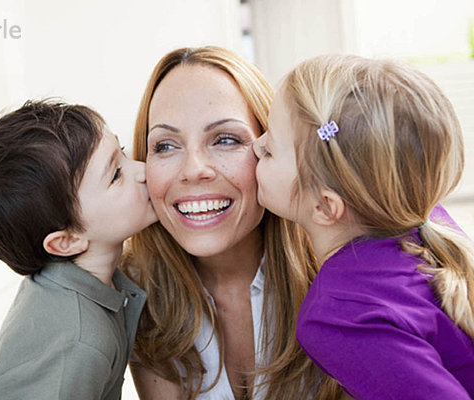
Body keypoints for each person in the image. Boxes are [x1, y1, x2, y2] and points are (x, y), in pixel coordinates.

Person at [124, 46, 343, 399]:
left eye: (225, 139)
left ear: (271, 150)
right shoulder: (135, 292)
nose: (195, 169)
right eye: (165, 146)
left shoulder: (339, 274)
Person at [253, 54, 474, 399]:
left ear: (325, 206)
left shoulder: (341, 313)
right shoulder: (431, 224)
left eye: (268, 150)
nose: (254, 145)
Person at [0, 100, 157, 400]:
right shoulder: (78, 343)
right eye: (116, 174)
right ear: (67, 241)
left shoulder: (80, 282)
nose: (142, 170)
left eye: (123, 152)